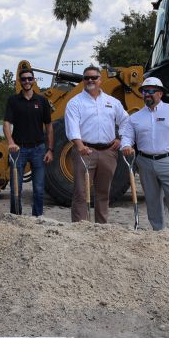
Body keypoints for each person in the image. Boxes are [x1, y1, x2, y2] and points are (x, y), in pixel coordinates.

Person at [121, 77, 169, 239]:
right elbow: (127, 136)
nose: (147, 94)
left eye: (151, 91)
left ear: (160, 94)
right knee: (153, 202)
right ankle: (158, 235)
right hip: (145, 163)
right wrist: (125, 145)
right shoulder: (135, 117)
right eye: (144, 91)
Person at [64, 65, 130, 223]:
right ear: (83, 81)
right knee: (81, 192)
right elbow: (72, 127)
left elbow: (125, 121)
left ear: (100, 80)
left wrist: (120, 139)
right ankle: (81, 226)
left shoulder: (112, 102)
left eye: (94, 77)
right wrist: (80, 146)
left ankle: (102, 227)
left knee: (103, 192)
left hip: (108, 152)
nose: (90, 80)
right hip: (85, 151)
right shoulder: (75, 103)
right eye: (87, 78)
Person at [3, 68, 53, 217]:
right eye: (23, 79)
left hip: (38, 149)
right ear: (19, 81)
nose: (27, 81)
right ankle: (16, 216)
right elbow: (6, 124)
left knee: (38, 188)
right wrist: (10, 142)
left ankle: (37, 218)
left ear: (34, 80)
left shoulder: (42, 101)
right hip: (19, 150)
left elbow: (49, 126)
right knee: (15, 188)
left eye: (29, 79)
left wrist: (50, 149)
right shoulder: (13, 101)